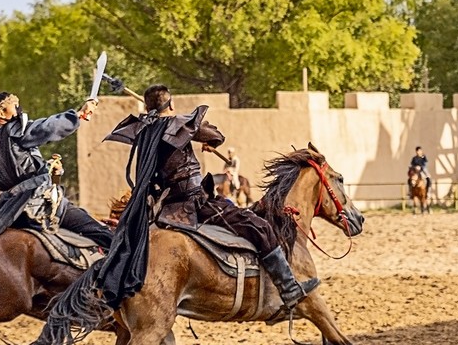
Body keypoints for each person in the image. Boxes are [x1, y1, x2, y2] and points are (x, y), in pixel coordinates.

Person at [100, 83, 318, 311]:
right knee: (258, 226)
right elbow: (216, 135)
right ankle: (288, 286)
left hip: (164, 206)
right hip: (194, 202)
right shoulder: (179, 125)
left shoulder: (145, 131)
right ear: (171, 104)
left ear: (147, 108)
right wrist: (205, 138)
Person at [0, 89, 112, 248]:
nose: (19, 108)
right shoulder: (14, 131)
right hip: (37, 203)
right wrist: (79, 114)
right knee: (101, 233)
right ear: (2, 113)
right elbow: (46, 127)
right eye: (14, 105)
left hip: (10, 210)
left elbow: (13, 177)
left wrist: (51, 170)